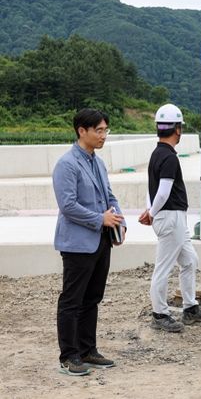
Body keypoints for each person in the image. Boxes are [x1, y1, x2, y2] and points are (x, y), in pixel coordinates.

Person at [53, 108, 126, 376]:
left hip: (101, 241)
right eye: (99, 130)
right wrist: (100, 219)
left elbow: (109, 196)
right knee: (72, 300)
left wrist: (119, 222)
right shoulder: (67, 164)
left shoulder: (98, 162)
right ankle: (69, 356)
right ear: (81, 131)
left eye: (105, 130)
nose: (103, 135)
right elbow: (68, 205)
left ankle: (87, 350)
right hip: (77, 244)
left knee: (92, 298)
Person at [139, 104, 201, 332]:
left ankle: (190, 307)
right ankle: (159, 314)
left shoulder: (156, 154)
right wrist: (152, 213)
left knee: (190, 261)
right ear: (177, 129)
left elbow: (151, 189)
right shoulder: (169, 157)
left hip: (170, 217)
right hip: (171, 218)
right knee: (163, 267)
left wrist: (150, 210)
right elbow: (163, 191)